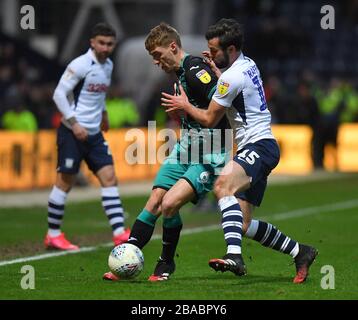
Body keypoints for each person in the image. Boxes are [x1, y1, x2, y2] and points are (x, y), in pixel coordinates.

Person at [162, 18, 318, 284]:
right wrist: (217, 71)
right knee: (242, 225)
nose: (209, 54)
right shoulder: (247, 64)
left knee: (222, 185)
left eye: (214, 50)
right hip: (264, 146)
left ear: (231, 49)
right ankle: (300, 252)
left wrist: (185, 105)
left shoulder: (231, 77)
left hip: (258, 146)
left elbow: (210, 119)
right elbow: (234, 89)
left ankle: (234, 256)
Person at [103, 22, 230, 282]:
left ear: (173, 47)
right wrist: (182, 111)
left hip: (211, 151)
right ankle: (127, 257)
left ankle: (166, 264)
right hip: (186, 146)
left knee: (169, 204)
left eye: (157, 55)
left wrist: (186, 107)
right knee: (154, 201)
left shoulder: (196, 71)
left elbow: (219, 112)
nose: (155, 62)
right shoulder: (180, 75)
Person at [44, 22, 130, 251]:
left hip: (94, 134)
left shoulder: (109, 65)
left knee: (109, 177)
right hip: (72, 133)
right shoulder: (80, 64)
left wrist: (104, 114)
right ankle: (53, 235)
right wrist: (74, 123)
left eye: (110, 44)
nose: (105, 48)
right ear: (92, 42)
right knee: (65, 182)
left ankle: (120, 233)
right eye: (101, 43)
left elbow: (98, 95)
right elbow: (59, 94)